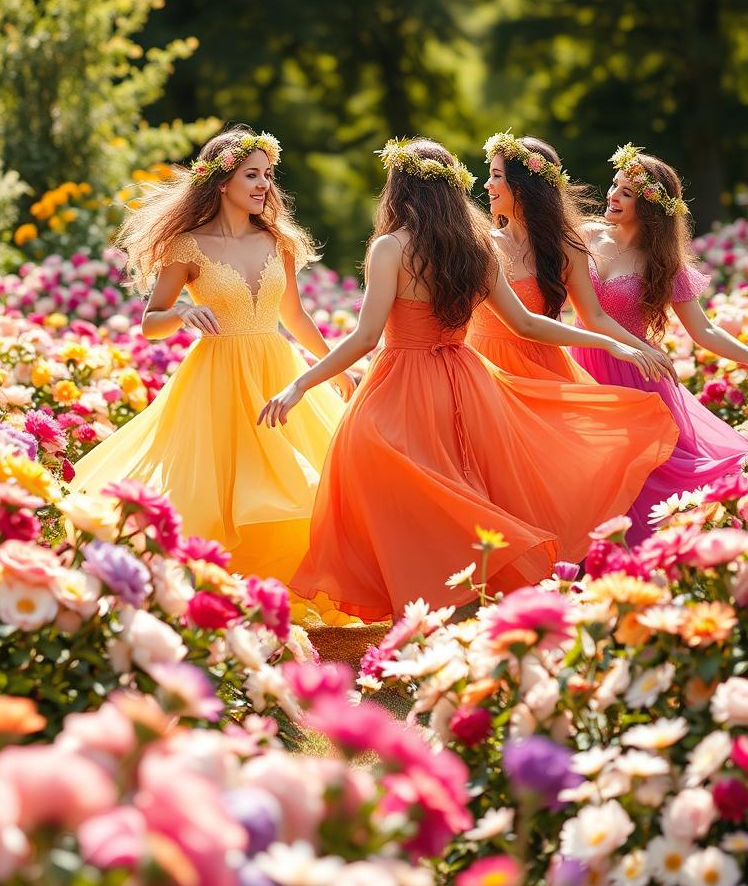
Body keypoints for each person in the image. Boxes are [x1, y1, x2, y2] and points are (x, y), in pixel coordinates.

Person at [259, 138, 677, 621]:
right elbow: (526, 322)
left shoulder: (390, 248)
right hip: (467, 382)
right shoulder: (478, 248)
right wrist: (612, 342)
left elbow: (364, 338)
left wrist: (300, 384)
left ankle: (423, 601)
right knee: (458, 489)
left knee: (385, 482)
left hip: (401, 383)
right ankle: (458, 595)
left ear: (400, 191)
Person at [71, 126, 354, 584]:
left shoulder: (277, 241)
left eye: (267, 175)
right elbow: (150, 322)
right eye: (251, 175)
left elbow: (295, 316)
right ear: (222, 182)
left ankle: (281, 583)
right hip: (217, 380)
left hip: (276, 369)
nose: (264, 185)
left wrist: (331, 368)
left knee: (298, 479)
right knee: (220, 488)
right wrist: (183, 310)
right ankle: (213, 583)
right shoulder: (187, 245)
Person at [570, 143, 748, 545]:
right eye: (615, 185)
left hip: (636, 375)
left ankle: (640, 550)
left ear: (648, 208)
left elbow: (703, 331)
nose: (612, 195)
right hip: (582, 365)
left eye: (626, 193)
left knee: (642, 470)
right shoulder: (585, 236)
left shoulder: (664, 264)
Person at [470, 131, 676, 385]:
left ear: (523, 188)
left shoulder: (566, 248)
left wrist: (644, 349)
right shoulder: (482, 244)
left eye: (496, 176)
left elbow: (594, 316)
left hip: (544, 370)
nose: (487, 184)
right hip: (485, 368)